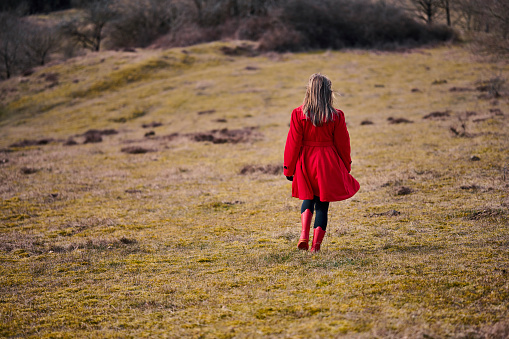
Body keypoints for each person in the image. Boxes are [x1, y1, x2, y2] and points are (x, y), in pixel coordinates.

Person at [283, 73, 360, 252]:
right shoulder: (337, 116)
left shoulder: (297, 114)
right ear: (328, 92)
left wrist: (289, 168)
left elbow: (292, 143)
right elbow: (343, 144)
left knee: (307, 198)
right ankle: (315, 248)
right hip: (327, 162)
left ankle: (303, 235)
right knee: (322, 205)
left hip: (305, 162)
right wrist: (346, 166)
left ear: (309, 91)